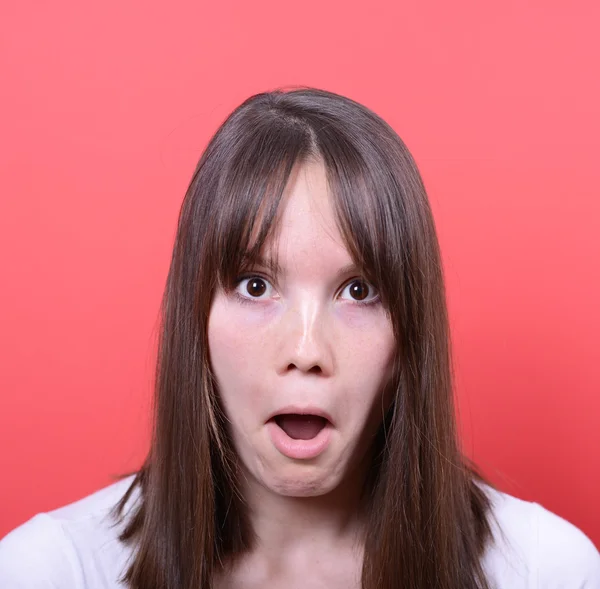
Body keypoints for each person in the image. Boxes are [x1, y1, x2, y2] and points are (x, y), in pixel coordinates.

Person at [1, 86, 598, 589]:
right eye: (256, 286)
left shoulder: (545, 571)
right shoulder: (52, 571)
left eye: (359, 291)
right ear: (196, 322)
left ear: (409, 339)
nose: (306, 352)